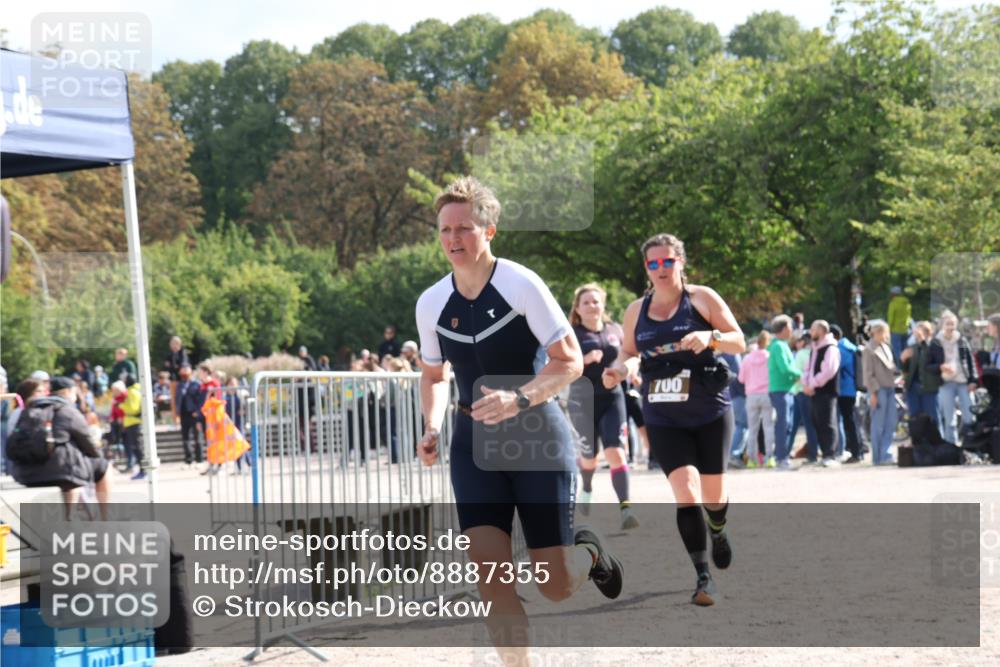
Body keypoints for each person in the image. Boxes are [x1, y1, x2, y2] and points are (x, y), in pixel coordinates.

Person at [415, 176, 623, 661]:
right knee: (492, 580)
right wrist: (432, 426)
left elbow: (568, 360)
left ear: (490, 231)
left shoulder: (520, 284)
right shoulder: (430, 303)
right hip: (472, 445)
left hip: (536, 437)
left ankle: (587, 552)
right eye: (445, 229)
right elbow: (433, 375)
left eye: (464, 228)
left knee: (553, 585)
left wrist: (520, 399)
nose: (453, 239)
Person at [605, 232, 746, 606]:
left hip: (710, 409)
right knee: (686, 491)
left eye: (668, 261)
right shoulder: (637, 310)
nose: (661, 269)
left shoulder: (702, 298)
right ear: (646, 269)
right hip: (663, 413)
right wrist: (618, 369)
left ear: (681, 262)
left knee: (714, 496)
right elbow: (629, 353)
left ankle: (718, 528)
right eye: (654, 263)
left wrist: (711, 336)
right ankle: (703, 577)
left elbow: (739, 341)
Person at [566, 282, 638, 530]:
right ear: (577, 307)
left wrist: (630, 372)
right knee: (589, 458)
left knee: (615, 452)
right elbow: (561, 366)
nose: (591, 306)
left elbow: (629, 355)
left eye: (595, 301)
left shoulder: (615, 330)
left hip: (612, 397)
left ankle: (626, 508)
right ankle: (586, 485)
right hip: (581, 401)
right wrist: (584, 361)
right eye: (585, 302)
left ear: (603, 304)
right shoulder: (571, 333)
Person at [8, 377, 111, 520]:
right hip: (60, 475)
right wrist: (98, 454)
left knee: (67, 466)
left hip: (24, 474)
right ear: (68, 392)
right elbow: (90, 445)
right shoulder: (67, 410)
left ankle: (73, 516)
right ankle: (103, 517)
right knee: (101, 467)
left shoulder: (29, 410)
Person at [932, 310, 978, 444]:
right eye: (948, 324)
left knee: (970, 415)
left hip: (963, 381)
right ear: (942, 325)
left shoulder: (961, 340)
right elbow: (928, 364)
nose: (950, 327)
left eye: (952, 324)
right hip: (946, 383)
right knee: (949, 418)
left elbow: (970, 361)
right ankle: (950, 446)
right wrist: (940, 366)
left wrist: (973, 380)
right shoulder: (936, 342)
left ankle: (972, 444)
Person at [802, 320, 841, 467]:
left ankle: (830, 454)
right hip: (814, 392)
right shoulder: (815, 348)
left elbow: (828, 370)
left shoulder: (830, 348)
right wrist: (805, 383)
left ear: (822, 331)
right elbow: (808, 368)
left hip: (826, 391)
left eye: (813, 330)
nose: (811, 333)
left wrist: (812, 384)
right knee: (817, 422)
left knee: (828, 422)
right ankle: (824, 453)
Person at [862, 320, 898, 465]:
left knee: (890, 423)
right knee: (878, 424)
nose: (884, 335)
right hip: (879, 389)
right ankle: (877, 457)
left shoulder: (886, 347)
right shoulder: (869, 349)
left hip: (890, 387)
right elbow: (868, 373)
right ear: (874, 332)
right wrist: (873, 393)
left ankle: (886, 454)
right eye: (881, 332)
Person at [768, 315, 802, 470]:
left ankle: (783, 458)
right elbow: (785, 368)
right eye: (789, 327)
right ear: (782, 329)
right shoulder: (779, 346)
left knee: (787, 425)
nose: (792, 330)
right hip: (780, 390)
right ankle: (781, 458)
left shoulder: (781, 345)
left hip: (786, 389)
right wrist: (800, 375)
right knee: (784, 424)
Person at [739, 332, 773, 468]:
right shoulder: (769, 357)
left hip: (751, 395)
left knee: (752, 429)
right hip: (767, 394)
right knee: (768, 427)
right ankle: (769, 458)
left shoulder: (747, 358)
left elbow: (741, 379)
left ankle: (752, 460)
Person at [831, 324, 863, 463]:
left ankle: (856, 452)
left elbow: (835, 367)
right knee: (851, 421)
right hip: (851, 388)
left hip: (844, 389)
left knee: (849, 422)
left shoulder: (841, 349)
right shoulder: (850, 347)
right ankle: (857, 450)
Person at [901, 321, 941, 428]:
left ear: (929, 333)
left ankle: (936, 443)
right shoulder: (912, 347)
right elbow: (906, 370)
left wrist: (923, 341)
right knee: (914, 418)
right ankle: (917, 443)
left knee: (933, 418)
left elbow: (936, 364)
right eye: (917, 331)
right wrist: (903, 360)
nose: (918, 334)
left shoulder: (935, 345)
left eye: (924, 330)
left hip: (929, 388)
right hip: (913, 388)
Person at [789, 332, 818, 460]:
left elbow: (795, 374)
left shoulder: (800, 354)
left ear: (804, 342)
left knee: (799, 424)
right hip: (812, 391)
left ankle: (811, 454)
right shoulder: (815, 353)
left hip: (800, 392)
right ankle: (814, 452)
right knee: (812, 424)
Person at [719, 351, 747, 467]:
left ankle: (728, 455)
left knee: (735, 426)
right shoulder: (733, 355)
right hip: (738, 395)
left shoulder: (719, 356)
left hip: (726, 395)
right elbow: (739, 377)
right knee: (742, 425)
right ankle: (733, 454)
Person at [175, 363, 203, 467]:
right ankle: (188, 460)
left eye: (186, 369)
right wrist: (177, 413)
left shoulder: (197, 383)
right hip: (183, 413)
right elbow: (177, 399)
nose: (184, 372)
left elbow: (200, 399)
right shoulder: (180, 384)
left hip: (194, 414)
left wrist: (198, 411)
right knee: (185, 438)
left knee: (197, 437)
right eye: (182, 370)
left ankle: (199, 460)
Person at [121, 375, 145, 480]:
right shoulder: (133, 391)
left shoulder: (132, 392)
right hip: (132, 423)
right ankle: (142, 470)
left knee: (138, 448)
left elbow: (133, 409)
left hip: (134, 423)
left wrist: (121, 406)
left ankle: (143, 470)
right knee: (136, 448)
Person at [887, 287, 912, 362]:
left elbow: (891, 318)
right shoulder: (907, 303)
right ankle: (906, 369)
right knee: (905, 351)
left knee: (897, 351)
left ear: (893, 294)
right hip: (905, 330)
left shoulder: (893, 303)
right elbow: (909, 317)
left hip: (895, 330)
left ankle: (899, 369)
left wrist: (889, 329)